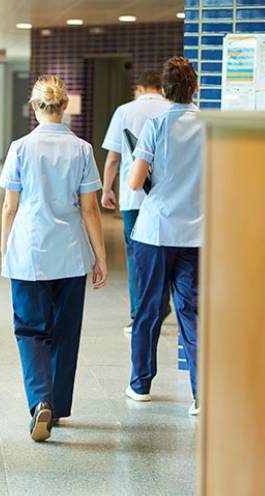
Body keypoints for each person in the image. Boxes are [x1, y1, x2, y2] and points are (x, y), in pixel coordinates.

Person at [0, 75, 108, 442]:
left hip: (29, 251)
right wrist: (100, 257)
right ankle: (57, 407)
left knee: (30, 330)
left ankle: (40, 400)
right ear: (65, 108)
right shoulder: (82, 149)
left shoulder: (20, 148)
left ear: (35, 108)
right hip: (71, 254)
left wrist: (5, 247)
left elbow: (9, 206)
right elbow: (90, 208)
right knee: (65, 333)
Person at [124, 57, 202, 416]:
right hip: (196, 233)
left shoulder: (156, 125)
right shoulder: (210, 127)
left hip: (155, 233)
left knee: (148, 310)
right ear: (195, 88)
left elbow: (135, 182)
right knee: (192, 312)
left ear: (165, 91)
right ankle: (201, 395)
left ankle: (141, 384)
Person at [101, 70, 171, 334]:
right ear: (161, 88)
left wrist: (107, 189)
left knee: (134, 254)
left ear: (140, 88)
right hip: (165, 196)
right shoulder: (173, 109)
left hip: (133, 197)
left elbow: (113, 158)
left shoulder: (125, 111)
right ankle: (161, 304)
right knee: (164, 251)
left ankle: (139, 311)